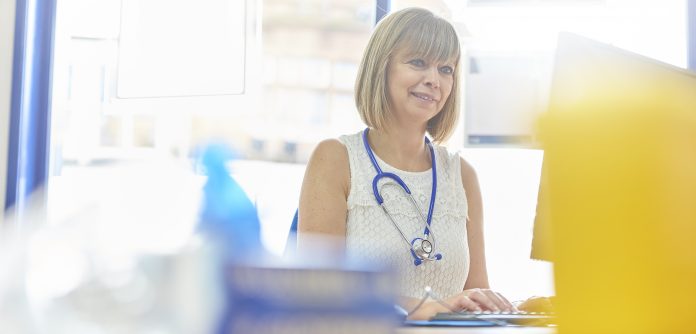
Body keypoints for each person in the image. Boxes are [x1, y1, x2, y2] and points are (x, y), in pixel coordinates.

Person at [297, 7, 515, 320]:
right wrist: (428, 307)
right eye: (418, 63)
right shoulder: (335, 159)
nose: (434, 80)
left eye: (446, 69)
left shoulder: (462, 175)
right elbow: (322, 287)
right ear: (381, 68)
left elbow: (475, 299)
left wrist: (528, 305)